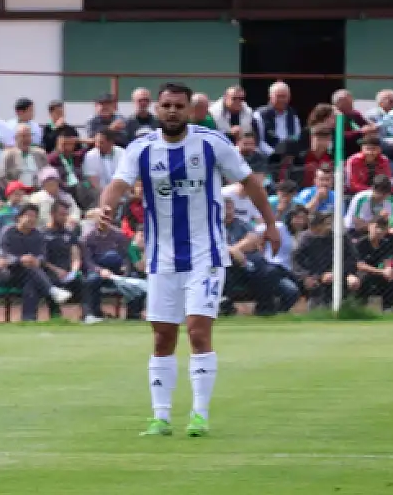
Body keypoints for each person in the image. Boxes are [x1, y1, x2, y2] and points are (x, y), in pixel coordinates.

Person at [99, 82, 280, 437]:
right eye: (166, 105)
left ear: (190, 110)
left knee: (198, 331)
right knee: (162, 336)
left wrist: (270, 224)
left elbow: (250, 182)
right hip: (162, 257)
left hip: (205, 254)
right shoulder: (141, 149)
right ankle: (161, 417)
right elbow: (117, 185)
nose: (171, 111)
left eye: (178, 106)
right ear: (157, 109)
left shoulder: (212, 143)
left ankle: (199, 415)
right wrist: (104, 207)